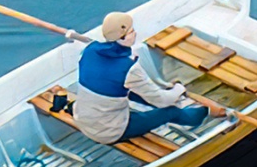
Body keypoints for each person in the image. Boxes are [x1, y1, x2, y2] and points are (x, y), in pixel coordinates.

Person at [71, 10, 213, 147]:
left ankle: (161, 106)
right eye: (132, 31)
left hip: (82, 118)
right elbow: (163, 101)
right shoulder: (129, 68)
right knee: (171, 110)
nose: (135, 34)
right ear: (123, 38)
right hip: (109, 132)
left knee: (132, 94)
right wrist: (179, 89)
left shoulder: (89, 51)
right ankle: (207, 113)